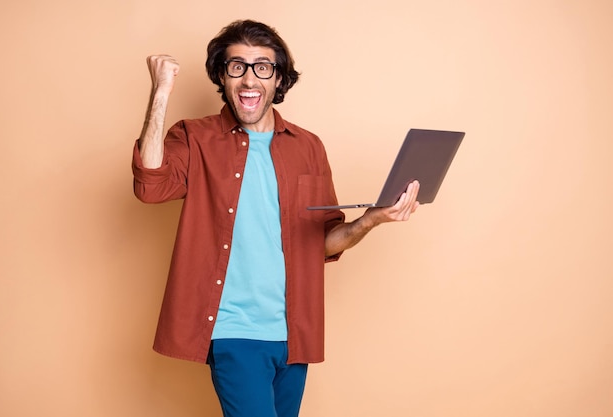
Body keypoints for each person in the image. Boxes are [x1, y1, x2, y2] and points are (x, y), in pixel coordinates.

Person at [132, 19, 420, 417]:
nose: (250, 78)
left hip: (293, 334)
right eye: (237, 66)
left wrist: (369, 220)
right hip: (233, 331)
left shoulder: (308, 146)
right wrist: (160, 92)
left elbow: (321, 243)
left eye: (262, 67)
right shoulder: (195, 138)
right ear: (222, 75)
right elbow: (150, 185)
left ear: (278, 78)